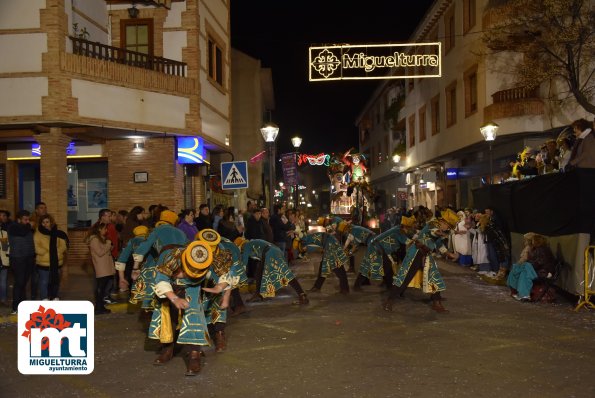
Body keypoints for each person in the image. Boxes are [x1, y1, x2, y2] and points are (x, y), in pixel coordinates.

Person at [382, 208, 460, 313]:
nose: (447, 228)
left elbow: (439, 244)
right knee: (405, 277)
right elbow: (434, 232)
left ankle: (436, 302)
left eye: (449, 227)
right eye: (448, 226)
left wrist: (449, 254)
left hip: (426, 255)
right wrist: (440, 233)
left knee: (434, 277)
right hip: (416, 253)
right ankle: (389, 301)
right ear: (443, 221)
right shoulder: (433, 225)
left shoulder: (439, 227)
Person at [239, 238, 309, 305]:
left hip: (271, 253)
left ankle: (302, 295)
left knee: (285, 274)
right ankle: (258, 294)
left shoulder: (247, 245)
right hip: (273, 251)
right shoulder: (253, 242)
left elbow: (243, 263)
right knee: (259, 271)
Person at [507, 233, 557, 301]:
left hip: (543, 272)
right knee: (523, 271)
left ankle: (522, 293)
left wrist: (527, 263)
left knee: (524, 267)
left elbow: (538, 263)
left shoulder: (542, 249)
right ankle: (523, 295)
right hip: (539, 270)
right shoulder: (537, 249)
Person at [33, 215, 69, 300]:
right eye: (43, 222)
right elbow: (36, 247)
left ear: (51, 222)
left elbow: (63, 246)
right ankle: (44, 298)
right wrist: (48, 251)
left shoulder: (58, 233)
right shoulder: (37, 234)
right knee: (44, 282)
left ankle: (54, 296)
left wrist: (57, 252)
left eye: (47, 222)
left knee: (55, 281)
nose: (45, 224)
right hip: (43, 262)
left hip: (56, 262)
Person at [8, 210, 36, 315]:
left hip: (28, 257)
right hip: (18, 258)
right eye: (25, 219)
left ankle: (23, 304)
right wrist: (29, 225)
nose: (28, 221)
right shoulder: (13, 227)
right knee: (19, 282)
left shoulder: (27, 228)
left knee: (24, 282)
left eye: (29, 219)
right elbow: (22, 232)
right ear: (19, 219)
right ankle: (15, 307)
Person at [87, 222, 115, 315]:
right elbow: (100, 252)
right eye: (104, 229)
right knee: (100, 288)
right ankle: (98, 308)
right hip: (101, 266)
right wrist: (108, 244)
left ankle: (101, 306)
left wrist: (110, 246)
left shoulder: (101, 239)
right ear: (99, 229)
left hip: (106, 266)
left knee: (103, 288)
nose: (106, 230)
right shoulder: (94, 239)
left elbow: (105, 249)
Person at [0, 210, 11, 307]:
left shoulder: (4, 233)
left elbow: (5, 248)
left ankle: (3, 299)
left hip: (2, 260)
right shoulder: (3, 233)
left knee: (3, 281)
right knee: (3, 281)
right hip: (3, 260)